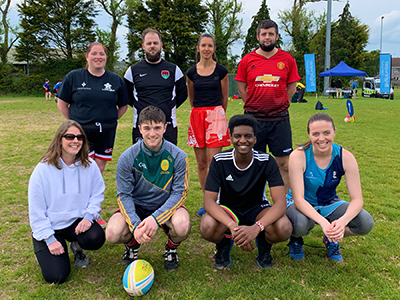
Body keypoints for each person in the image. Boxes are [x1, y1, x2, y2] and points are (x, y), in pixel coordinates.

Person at [199, 114, 292, 269]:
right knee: (207, 225)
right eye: (237, 136)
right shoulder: (219, 161)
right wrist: (232, 227)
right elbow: (208, 202)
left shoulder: (267, 161)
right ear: (231, 138)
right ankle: (223, 245)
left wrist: (257, 227)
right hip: (228, 210)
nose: (243, 140)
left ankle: (264, 246)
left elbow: (281, 203)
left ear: (255, 139)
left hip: (257, 209)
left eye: (248, 136)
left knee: (283, 227)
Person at [105, 106, 191, 271]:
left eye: (157, 128)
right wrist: (136, 225)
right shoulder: (127, 157)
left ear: (165, 128)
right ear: (140, 129)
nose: (152, 133)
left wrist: (155, 219)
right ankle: (132, 246)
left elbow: (179, 194)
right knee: (112, 233)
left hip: (165, 206)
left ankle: (171, 249)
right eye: (147, 128)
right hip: (138, 206)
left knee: (182, 225)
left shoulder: (179, 156)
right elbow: (124, 195)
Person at [286, 113, 374, 262]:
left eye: (326, 132)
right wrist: (322, 222)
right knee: (301, 224)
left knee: (365, 222)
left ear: (334, 132)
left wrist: (342, 222)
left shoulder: (345, 157)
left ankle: (331, 238)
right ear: (309, 134)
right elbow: (299, 199)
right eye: (315, 134)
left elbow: (357, 200)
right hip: (300, 203)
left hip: (329, 203)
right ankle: (296, 239)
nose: (321, 139)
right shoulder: (298, 156)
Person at [28, 120, 106, 284]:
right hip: (50, 227)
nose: (75, 141)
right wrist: (49, 239)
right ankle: (46, 251)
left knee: (96, 237)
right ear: (59, 139)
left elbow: (97, 193)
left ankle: (77, 247)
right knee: (56, 277)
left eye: (79, 137)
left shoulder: (89, 165)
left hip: (75, 223)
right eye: (70, 136)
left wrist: (88, 217)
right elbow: (36, 211)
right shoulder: (42, 170)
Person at [235, 19, 301, 193]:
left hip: (279, 119)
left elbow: (292, 86)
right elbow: (241, 87)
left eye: (271, 34)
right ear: (258, 36)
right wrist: (253, 103)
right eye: (263, 34)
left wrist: (281, 102)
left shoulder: (287, 59)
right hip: (253, 120)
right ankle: (254, 202)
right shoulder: (247, 60)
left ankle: (286, 203)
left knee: (284, 163)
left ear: (277, 36)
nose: (267, 37)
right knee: (252, 162)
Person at [57, 42, 129, 175]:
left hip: (106, 131)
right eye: (94, 53)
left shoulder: (115, 80)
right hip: (81, 132)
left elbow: (124, 106)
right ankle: (79, 195)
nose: (98, 57)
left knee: (99, 168)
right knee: (82, 167)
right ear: (87, 56)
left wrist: (110, 118)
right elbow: (61, 104)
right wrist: (76, 122)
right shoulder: (74, 77)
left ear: (106, 57)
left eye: (102, 54)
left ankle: (95, 196)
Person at [186, 33, 230, 216]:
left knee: (214, 161)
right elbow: (191, 97)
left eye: (210, 45)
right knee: (201, 163)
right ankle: (207, 201)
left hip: (216, 116)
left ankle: (217, 201)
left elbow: (224, 97)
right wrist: (200, 113)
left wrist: (217, 115)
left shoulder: (221, 71)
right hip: (197, 116)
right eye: (203, 45)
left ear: (214, 48)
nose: (206, 49)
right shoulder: (191, 72)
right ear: (198, 48)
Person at [124, 28, 187, 145]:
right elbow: (127, 96)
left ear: (161, 45)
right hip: (142, 126)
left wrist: (168, 107)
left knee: (168, 162)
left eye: (155, 43)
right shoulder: (132, 71)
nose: (152, 46)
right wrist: (141, 107)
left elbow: (183, 94)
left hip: (167, 125)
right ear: (143, 46)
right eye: (149, 43)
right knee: (142, 162)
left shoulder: (174, 69)